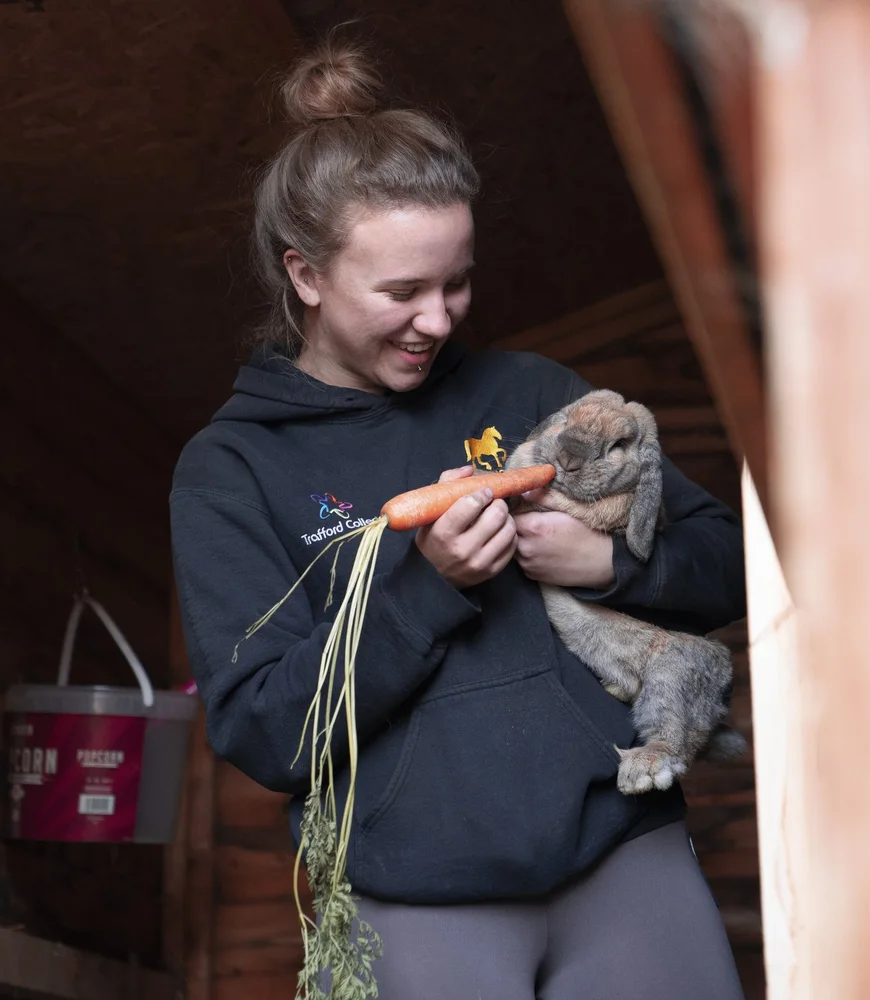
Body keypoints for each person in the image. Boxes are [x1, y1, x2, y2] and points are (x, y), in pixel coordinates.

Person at [168, 38, 747, 1000]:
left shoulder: (531, 392)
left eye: (456, 282)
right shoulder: (233, 468)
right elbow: (266, 733)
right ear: (305, 275)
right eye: (401, 292)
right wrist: (427, 589)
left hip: (621, 859)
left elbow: (726, 562)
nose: (437, 320)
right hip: (418, 897)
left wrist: (605, 563)